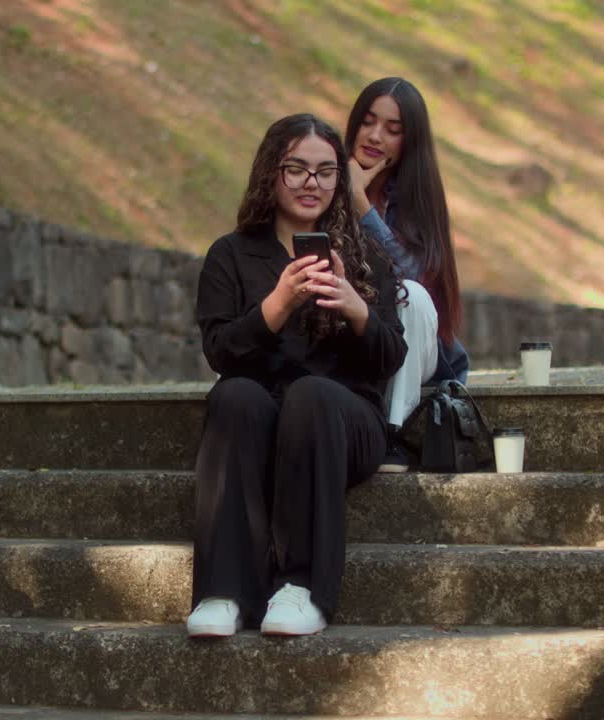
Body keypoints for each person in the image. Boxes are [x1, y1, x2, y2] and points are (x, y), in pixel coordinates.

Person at [187, 114, 407, 638]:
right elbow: (220, 352)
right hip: (261, 417)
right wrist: (277, 306)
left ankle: (300, 587)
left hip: (341, 422)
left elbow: (389, 357)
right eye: (298, 169)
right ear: (271, 173)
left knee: (311, 395)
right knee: (235, 396)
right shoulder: (231, 255)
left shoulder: (365, 254)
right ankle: (223, 592)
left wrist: (356, 308)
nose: (313, 183)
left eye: (327, 172)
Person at [344, 77, 470, 473]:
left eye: (393, 130)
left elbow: (416, 279)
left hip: (415, 344)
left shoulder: (417, 196)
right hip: (351, 338)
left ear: (409, 141)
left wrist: (361, 207)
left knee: (411, 295)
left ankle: (395, 434)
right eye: (368, 122)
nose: (375, 136)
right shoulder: (324, 179)